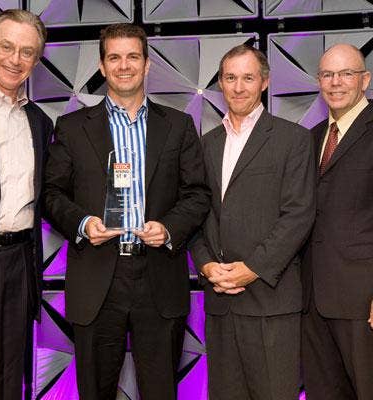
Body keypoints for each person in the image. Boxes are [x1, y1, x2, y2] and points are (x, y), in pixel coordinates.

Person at [44, 23, 210, 400]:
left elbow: (198, 194)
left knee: (161, 390)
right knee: (94, 391)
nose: (124, 65)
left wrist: (168, 228)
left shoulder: (179, 125)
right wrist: (83, 223)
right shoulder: (71, 127)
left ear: (147, 64)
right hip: (97, 278)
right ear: (102, 66)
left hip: (158, 277)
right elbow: (52, 193)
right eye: (114, 57)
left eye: (133, 56)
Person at [190, 44, 315, 400]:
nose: (238, 87)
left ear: (265, 82)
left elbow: (298, 214)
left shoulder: (293, 139)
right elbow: (196, 212)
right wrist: (206, 265)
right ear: (220, 83)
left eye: (248, 78)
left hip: (270, 303)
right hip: (220, 303)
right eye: (230, 78)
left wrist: (253, 268)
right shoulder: (206, 144)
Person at [0, 9, 52, 400]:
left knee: (4, 379)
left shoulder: (39, 121)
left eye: (27, 52)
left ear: (36, 61)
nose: (15, 59)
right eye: (6, 47)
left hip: (18, 262)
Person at [301, 43, 373, 400]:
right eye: (327, 74)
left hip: (362, 301)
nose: (335, 82)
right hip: (312, 301)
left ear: (365, 80)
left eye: (346, 74)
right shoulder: (311, 137)